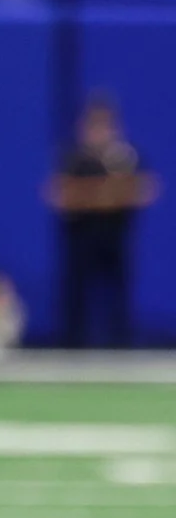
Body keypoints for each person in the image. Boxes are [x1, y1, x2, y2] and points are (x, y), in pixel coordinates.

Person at [47, 97, 160, 348]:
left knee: (118, 291)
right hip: (82, 237)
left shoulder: (126, 156)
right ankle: (73, 344)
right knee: (77, 292)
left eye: (104, 125)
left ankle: (120, 344)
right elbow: (60, 195)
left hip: (115, 236)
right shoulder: (74, 158)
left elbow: (144, 189)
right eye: (93, 125)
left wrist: (94, 195)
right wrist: (107, 194)